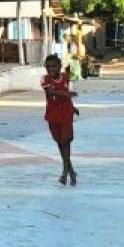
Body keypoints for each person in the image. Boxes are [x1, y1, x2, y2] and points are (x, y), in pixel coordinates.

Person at [41, 54, 80, 186]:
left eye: (54, 66)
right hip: (52, 115)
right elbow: (50, 93)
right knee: (59, 144)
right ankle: (72, 171)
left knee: (66, 142)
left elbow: (66, 93)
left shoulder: (65, 78)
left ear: (60, 66)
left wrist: (73, 107)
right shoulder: (44, 80)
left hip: (66, 114)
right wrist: (66, 94)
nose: (51, 69)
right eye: (48, 66)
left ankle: (64, 172)